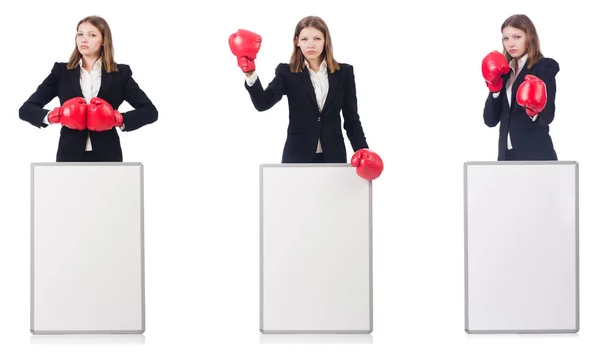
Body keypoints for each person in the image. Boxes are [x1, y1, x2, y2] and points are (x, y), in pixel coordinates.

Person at [229, 16, 383, 180]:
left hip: (333, 155)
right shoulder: (287, 72)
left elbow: (351, 119)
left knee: (332, 205)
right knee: (295, 205)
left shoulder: (344, 73)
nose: (311, 44)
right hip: (297, 156)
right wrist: (249, 72)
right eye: (304, 38)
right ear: (297, 41)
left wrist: (363, 151)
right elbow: (263, 103)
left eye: (317, 38)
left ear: (325, 41)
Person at [19, 15, 158, 162]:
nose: (83, 39)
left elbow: (150, 111)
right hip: (69, 156)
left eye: (91, 35)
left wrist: (118, 119)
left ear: (104, 41)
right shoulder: (61, 72)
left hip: (108, 155)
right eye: (80, 34)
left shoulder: (119, 74)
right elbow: (26, 109)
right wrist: (55, 115)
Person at [482, 14, 559, 161]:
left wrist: (533, 111)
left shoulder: (543, 67)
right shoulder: (504, 72)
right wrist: (495, 89)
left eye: (517, 37)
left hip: (536, 155)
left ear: (529, 37)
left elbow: (547, 116)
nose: (510, 44)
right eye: (506, 38)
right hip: (506, 157)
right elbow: (490, 120)